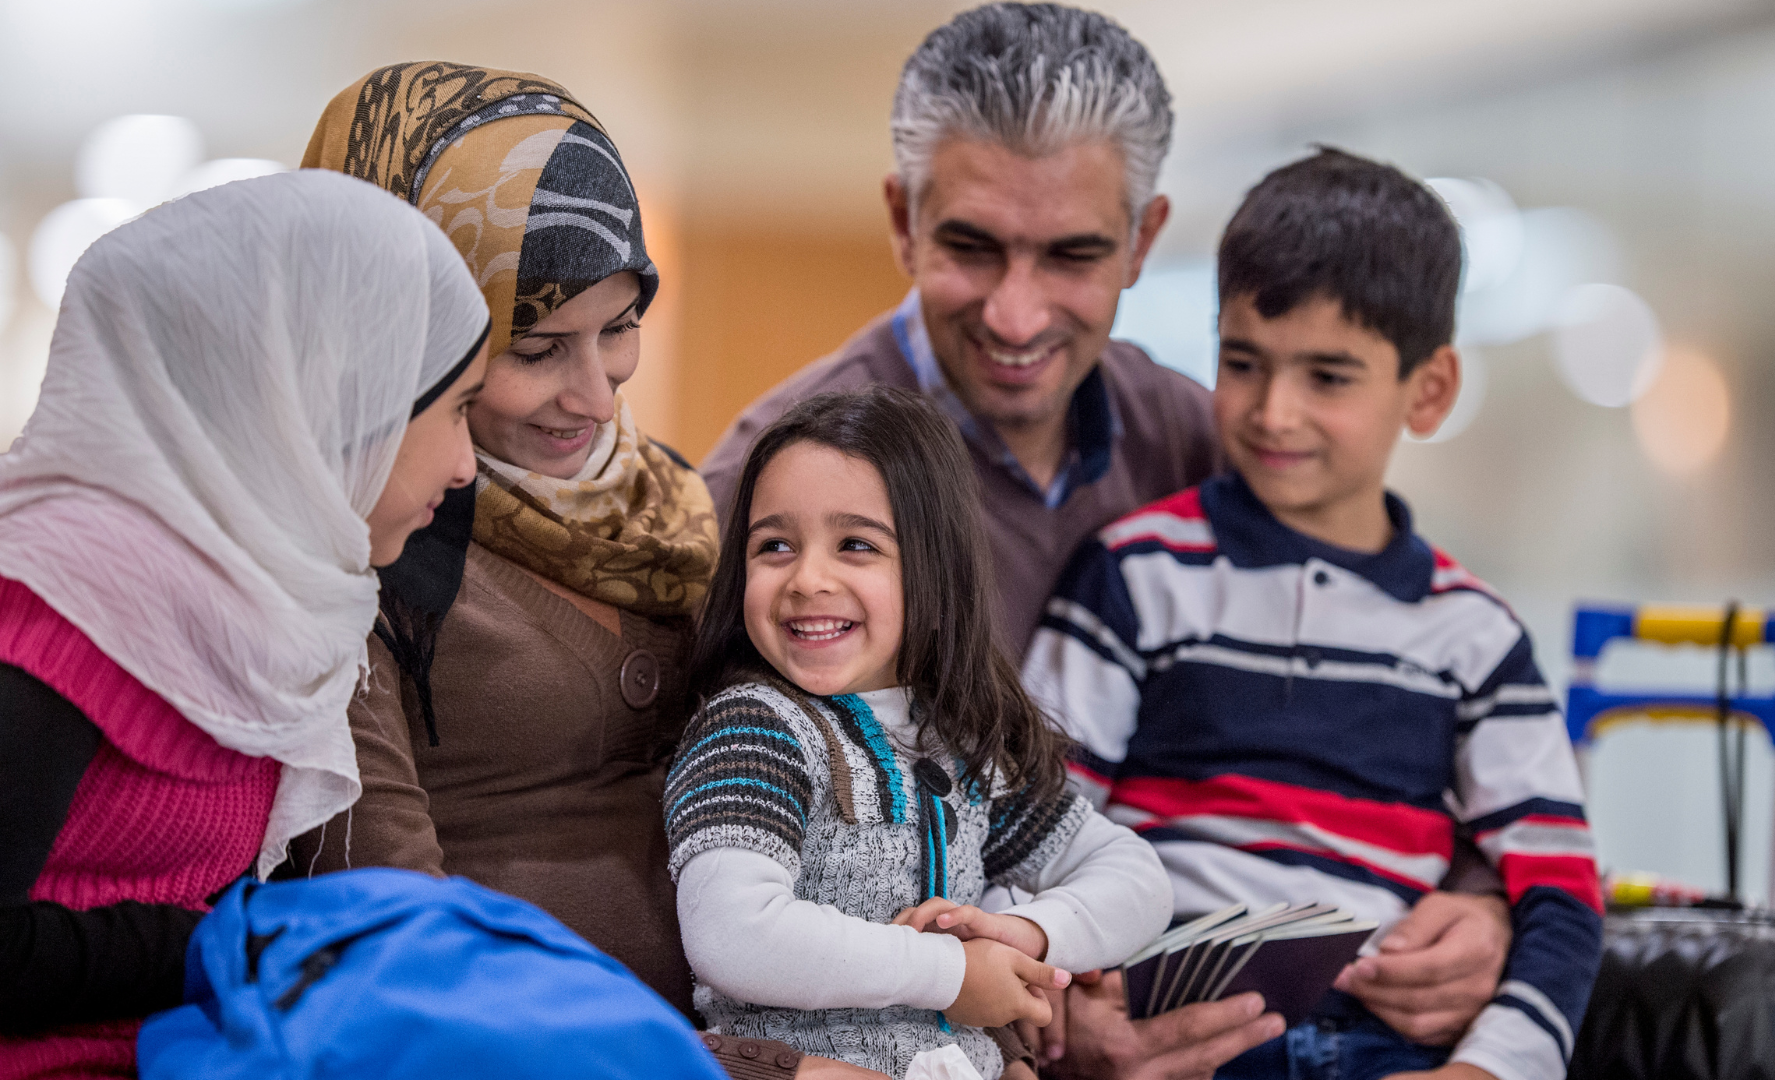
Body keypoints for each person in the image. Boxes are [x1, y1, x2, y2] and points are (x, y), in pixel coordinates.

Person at [699, 6, 1512, 1074]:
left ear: (1143, 238)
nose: (1019, 314)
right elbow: (696, 881)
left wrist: (1478, 898)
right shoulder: (760, 493)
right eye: (971, 248)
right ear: (903, 220)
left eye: (1073, 255)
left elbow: (1378, 699)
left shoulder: (1202, 441)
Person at [1021, 149, 1605, 1080]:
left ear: (1430, 390)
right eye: (1242, 361)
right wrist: (1053, 1000)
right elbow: (1031, 823)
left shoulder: (1477, 635)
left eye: (1327, 377)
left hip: (1389, 1047)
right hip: (1172, 1034)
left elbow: (1562, 892)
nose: (1272, 412)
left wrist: (1489, 1070)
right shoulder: (1136, 573)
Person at [0, 169, 491, 1077]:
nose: (467, 466)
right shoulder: (59, 585)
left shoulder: (267, 592)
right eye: (457, 409)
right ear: (342, 396)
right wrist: (220, 950)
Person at [292, 59, 725, 1029]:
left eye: (619, 328)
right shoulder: (355, 547)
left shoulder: (676, 507)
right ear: (400, 331)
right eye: (534, 350)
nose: (597, 396)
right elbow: (389, 935)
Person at [665, 388, 1172, 1080]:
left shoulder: (961, 743)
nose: (807, 578)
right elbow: (731, 933)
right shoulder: (753, 729)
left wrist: (1022, 933)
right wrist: (950, 971)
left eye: (856, 545)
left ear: (936, 569)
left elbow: (1137, 880)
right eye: (775, 545)